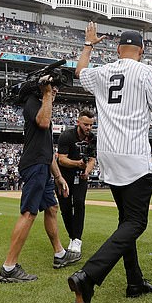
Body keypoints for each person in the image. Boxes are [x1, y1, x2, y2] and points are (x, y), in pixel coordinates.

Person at [67, 23, 152, 303]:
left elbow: (79, 73)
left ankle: (134, 282)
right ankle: (89, 276)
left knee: (126, 220)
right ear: (142, 50)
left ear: (117, 50)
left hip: (108, 155)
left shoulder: (103, 72)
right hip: (134, 154)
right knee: (136, 222)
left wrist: (88, 44)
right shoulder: (146, 71)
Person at [0, 78, 76, 284]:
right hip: (35, 166)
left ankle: (59, 254)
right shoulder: (34, 102)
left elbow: (48, 150)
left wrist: (58, 176)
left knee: (51, 208)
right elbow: (43, 122)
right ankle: (9, 267)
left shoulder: (43, 106)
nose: (55, 91)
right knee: (29, 213)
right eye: (53, 88)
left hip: (42, 165)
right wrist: (46, 94)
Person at [56, 109, 97, 261]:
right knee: (66, 208)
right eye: (86, 124)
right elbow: (61, 159)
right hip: (64, 177)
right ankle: (73, 237)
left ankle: (77, 239)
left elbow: (92, 159)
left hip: (81, 177)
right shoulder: (66, 136)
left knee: (79, 203)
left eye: (91, 125)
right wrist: (77, 164)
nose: (89, 128)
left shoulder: (92, 138)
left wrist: (87, 170)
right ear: (78, 122)